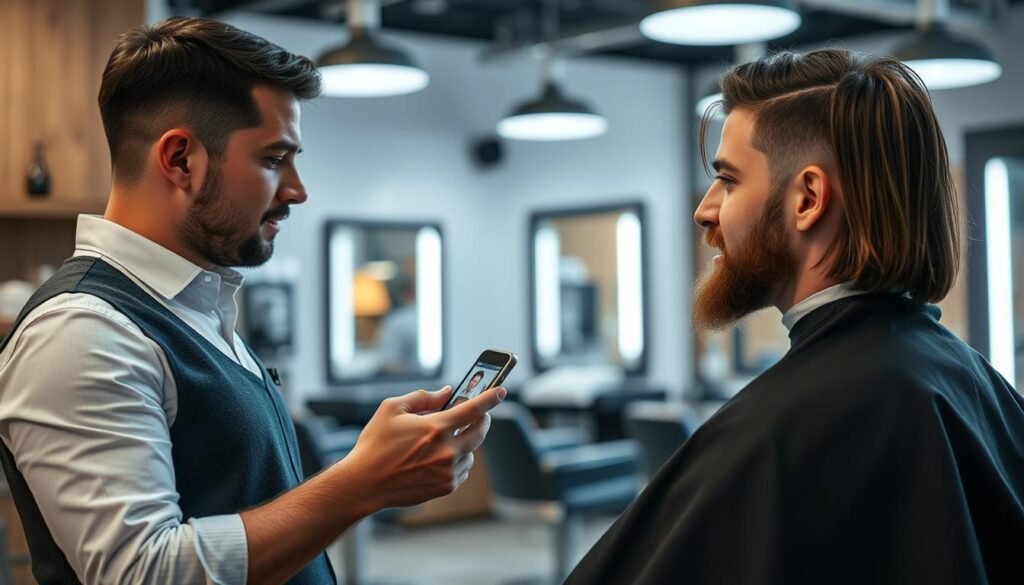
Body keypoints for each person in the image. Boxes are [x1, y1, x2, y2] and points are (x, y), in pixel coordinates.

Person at [0, 17, 504, 585]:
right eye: (273, 159)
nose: (297, 190)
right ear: (181, 160)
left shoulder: (198, 307)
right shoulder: (82, 331)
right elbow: (141, 572)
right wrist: (359, 483)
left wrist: (364, 473)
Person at [565, 49, 1024, 584]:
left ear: (808, 198)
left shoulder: (776, 433)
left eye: (729, 180)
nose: (704, 209)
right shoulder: (971, 381)